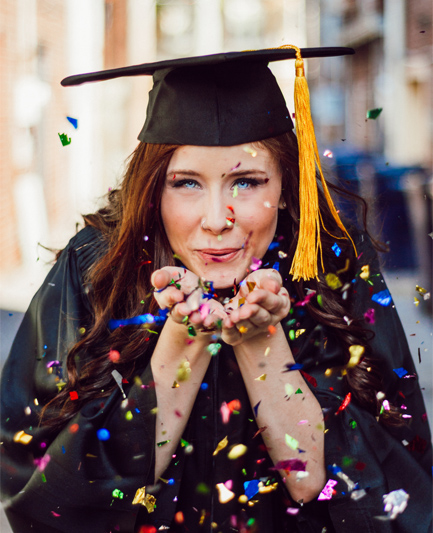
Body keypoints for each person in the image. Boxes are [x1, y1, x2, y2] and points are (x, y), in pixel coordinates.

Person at [1, 46, 431, 533]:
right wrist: (182, 345)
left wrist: (260, 341)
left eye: (246, 183)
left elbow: (375, 495)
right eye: (186, 183)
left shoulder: (331, 266)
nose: (215, 220)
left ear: (286, 185)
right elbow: (44, 500)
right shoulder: (97, 267)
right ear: (152, 188)